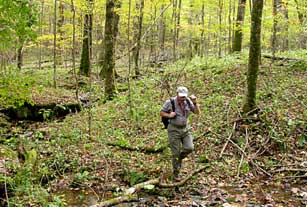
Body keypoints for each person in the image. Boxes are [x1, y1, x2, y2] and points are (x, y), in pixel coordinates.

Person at [160, 86, 200, 181]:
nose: (182, 98)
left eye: (184, 96)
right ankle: (176, 174)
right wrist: (169, 115)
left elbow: (197, 112)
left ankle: (180, 157)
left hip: (185, 129)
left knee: (190, 148)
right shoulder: (170, 102)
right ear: (177, 94)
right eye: (181, 96)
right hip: (174, 130)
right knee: (175, 153)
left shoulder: (188, 101)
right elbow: (161, 112)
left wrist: (195, 103)